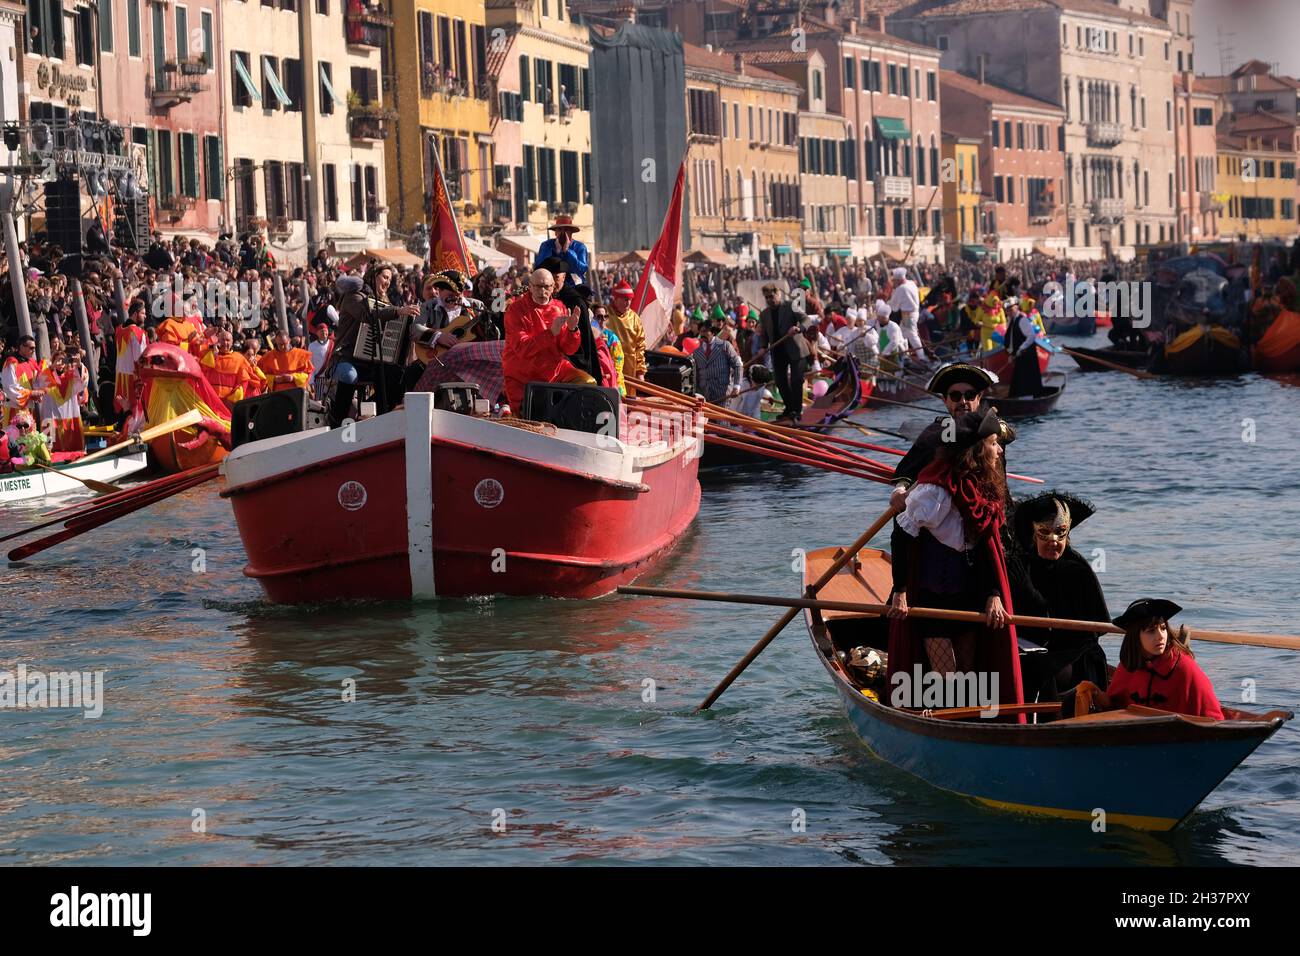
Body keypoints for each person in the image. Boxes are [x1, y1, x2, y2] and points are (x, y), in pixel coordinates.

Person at [884, 407, 1024, 713]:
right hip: (934, 595)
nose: (1000, 449)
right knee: (947, 677)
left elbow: (988, 547)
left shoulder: (983, 483)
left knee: (967, 673)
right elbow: (901, 535)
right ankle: (945, 724)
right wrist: (900, 590)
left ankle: (969, 724)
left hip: (969, 592)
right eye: (993, 444)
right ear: (977, 449)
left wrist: (993, 595)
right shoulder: (935, 491)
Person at [1007, 492, 1110, 715]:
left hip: (1076, 654)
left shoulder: (1079, 570)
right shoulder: (1021, 567)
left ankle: (1052, 728)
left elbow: (1098, 628)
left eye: (1060, 534)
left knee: (1042, 668)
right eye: (1045, 533)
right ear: (1034, 535)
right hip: (1031, 648)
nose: (1053, 542)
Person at [889, 363, 1015, 512]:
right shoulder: (937, 431)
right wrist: (899, 491)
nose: (963, 402)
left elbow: (1008, 433)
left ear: (979, 398)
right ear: (945, 400)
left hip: (991, 507)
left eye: (969, 395)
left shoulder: (991, 427)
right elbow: (909, 468)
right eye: (955, 396)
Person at [1079, 600, 1224, 721]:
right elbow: (1115, 707)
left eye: (1163, 628)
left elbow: (1213, 719)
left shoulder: (1185, 668)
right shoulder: (1128, 667)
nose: (1160, 636)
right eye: (1151, 631)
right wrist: (1096, 694)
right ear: (1136, 637)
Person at [328, 270, 420, 426]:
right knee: (350, 376)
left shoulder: (385, 301)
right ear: (372, 276)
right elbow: (368, 315)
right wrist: (398, 311)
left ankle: (374, 417)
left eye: (390, 279)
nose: (387, 282)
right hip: (345, 357)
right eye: (384, 277)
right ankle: (338, 420)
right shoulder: (353, 297)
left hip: (370, 361)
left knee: (397, 375)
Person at [501, 268, 590, 411]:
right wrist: (550, 333)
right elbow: (523, 349)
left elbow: (569, 349)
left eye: (547, 287)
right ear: (530, 287)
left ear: (553, 287)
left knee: (587, 383)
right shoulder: (516, 310)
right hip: (523, 376)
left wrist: (572, 330)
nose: (543, 291)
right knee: (532, 418)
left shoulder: (559, 307)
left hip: (555, 370)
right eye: (538, 287)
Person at [758, 282, 806, 422]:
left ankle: (797, 411)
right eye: (766, 297)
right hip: (777, 350)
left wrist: (798, 328)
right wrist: (762, 347)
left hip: (795, 350)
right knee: (780, 382)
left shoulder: (791, 306)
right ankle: (789, 408)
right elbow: (764, 335)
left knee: (796, 380)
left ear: (778, 294)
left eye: (771, 296)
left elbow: (806, 320)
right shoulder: (764, 314)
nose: (769, 300)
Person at [37, 348, 89, 452]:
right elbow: (39, 382)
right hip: (51, 416)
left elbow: (83, 382)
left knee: (73, 449)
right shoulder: (47, 376)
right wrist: (52, 366)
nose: (60, 363)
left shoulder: (71, 377)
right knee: (52, 449)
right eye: (58, 360)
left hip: (70, 415)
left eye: (63, 360)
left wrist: (79, 365)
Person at [198, 329, 263, 411]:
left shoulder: (239, 359)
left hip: (228, 406)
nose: (225, 343)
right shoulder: (210, 355)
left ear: (232, 342)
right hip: (210, 402)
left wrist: (232, 400)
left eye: (228, 340)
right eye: (223, 340)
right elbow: (201, 371)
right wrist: (213, 355)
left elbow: (243, 383)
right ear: (218, 341)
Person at [605, 280, 646, 387]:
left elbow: (640, 347)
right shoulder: (605, 315)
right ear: (616, 299)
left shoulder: (635, 318)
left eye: (630, 300)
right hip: (610, 368)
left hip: (630, 371)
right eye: (625, 299)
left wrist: (640, 372)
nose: (628, 303)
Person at [690, 321, 743, 405]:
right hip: (704, 397)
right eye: (701, 331)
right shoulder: (697, 352)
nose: (702, 334)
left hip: (723, 395)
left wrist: (736, 387)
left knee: (721, 418)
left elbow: (737, 365)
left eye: (705, 331)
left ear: (713, 332)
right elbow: (694, 374)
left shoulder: (725, 346)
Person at [1004, 298, 1046, 397]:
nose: (1009, 311)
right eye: (1007, 309)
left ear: (1016, 307)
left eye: (1011, 308)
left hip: (1027, 355)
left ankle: (1029, 398)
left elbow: (1031, 336)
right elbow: (1010, 339)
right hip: (1019, 355)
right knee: (1018, 380)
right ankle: (1019, 398)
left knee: (1027, 378)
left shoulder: (1022, 320)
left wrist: (1021, 348)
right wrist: (1011, 354)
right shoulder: (1011, 321)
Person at [2, 335, 46, 428]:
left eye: (34, 348)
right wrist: (31, 393)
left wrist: (38, 393)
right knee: (15, 440)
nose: (33, 350)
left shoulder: (31, 363)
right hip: (14, 409)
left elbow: (35, 383)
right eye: (31, 348)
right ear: (21, 347)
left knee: (30, 440)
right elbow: (10, 387)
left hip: (28, 409)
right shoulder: (11, 363)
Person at [532, 215, 588, 286]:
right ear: (555, 232)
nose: (562, 233)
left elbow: (582, 269)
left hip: (574, 286)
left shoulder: (580, 247)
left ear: (571, 232)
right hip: (550, 285)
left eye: (566, 230)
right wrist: (557, 252)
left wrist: (567, 251)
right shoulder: (546, 245)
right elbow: (539, 267)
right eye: (559, 229)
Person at [114, 300, 148, 419]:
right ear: (135, 314)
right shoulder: (138, 333)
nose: (145, 316)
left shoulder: (118, 330)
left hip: (120, 379)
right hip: (133, 381)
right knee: (136, 418)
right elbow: (140, 360)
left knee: (123, 416)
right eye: (143, 313)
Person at [887, 266, 926, 361]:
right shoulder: (911, 283)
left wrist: (885, 304)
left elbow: (894, 307)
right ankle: (905, 355)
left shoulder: (901, 289)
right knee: (901, 334)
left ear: (898, 280)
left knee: (912, 335)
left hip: (907, 315)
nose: (894, 282)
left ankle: (922, 357)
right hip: (913, 313)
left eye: (895, 280)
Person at [591, 303, 626, 395]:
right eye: (599, 317)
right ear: (592, 318)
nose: (602, 320)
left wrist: (616, 387)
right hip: (594, 381)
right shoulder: (588, 336)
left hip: (611, 380)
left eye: (605, 317)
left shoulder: (612, 338)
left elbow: (618, 363)